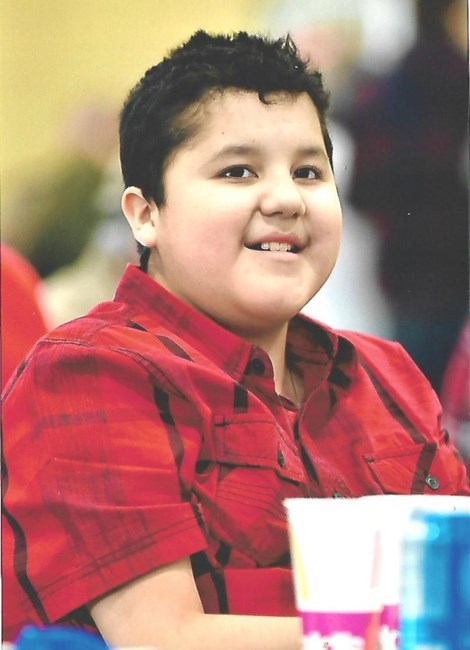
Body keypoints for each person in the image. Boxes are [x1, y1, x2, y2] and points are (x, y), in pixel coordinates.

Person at [2, 31, 468, 649]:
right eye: (238, 171)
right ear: (145, 214)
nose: (286, 199)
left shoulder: (387, 376)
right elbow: (162, 639)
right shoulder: (89, 374)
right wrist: (417, 631)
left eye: (308, 171)